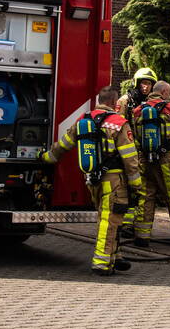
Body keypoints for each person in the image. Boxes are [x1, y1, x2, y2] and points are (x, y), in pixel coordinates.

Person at [41, 86, 142, 275]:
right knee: (110, 220)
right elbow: (130, 158)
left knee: (107, 219)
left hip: (92, 180)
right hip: (114, 181)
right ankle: (102, 263)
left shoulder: (83, 120)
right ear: (113, 103)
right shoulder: (119, 122)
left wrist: (46, 158)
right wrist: (137, 184)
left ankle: (115, 256)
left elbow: (64, 145)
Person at [132, 81, 170, 247]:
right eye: (169, 93)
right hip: (166, 159)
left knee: (145, 196)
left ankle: (142, 236)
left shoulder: (137, 110)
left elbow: (136, 138)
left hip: (144, 159)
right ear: (164, 92)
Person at [115, 68, 156, 237]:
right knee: (128, 187)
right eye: (143, 83)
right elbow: (117, 125)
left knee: (141, 188)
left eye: (149, 84)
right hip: (128, 152)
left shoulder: (150, 103)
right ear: (137, 83)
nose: (146, 87)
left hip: (143, 153)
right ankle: (124, 224)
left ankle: (133, 224)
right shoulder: (126, 101)